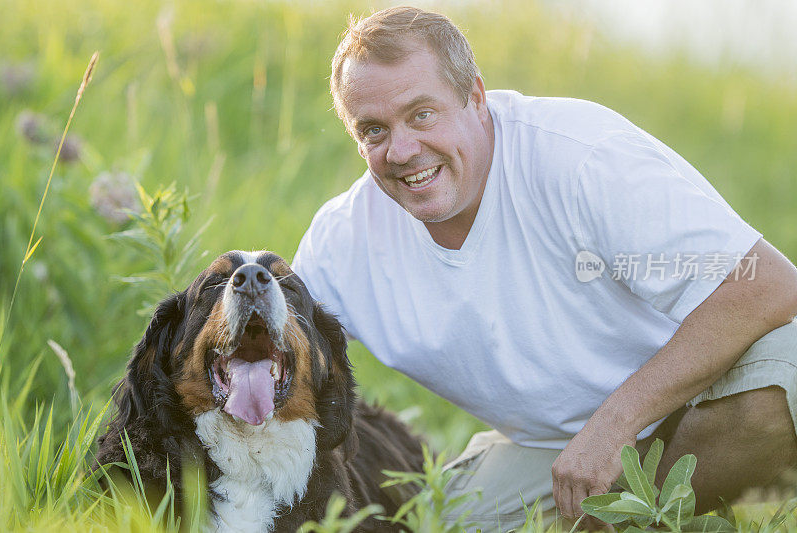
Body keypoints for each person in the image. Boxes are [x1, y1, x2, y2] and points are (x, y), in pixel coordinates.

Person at [291, 6, 797, 530]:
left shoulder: (581, 160)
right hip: (554, 445)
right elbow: (272, 357)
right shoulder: (342, 245)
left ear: (476, 97)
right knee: (447, 521)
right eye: (373, 130)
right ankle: (632, 508)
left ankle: (634, 514)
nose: (402, 150)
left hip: (704, 397)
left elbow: (768, 286)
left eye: (422, 114)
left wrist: (614, 425)